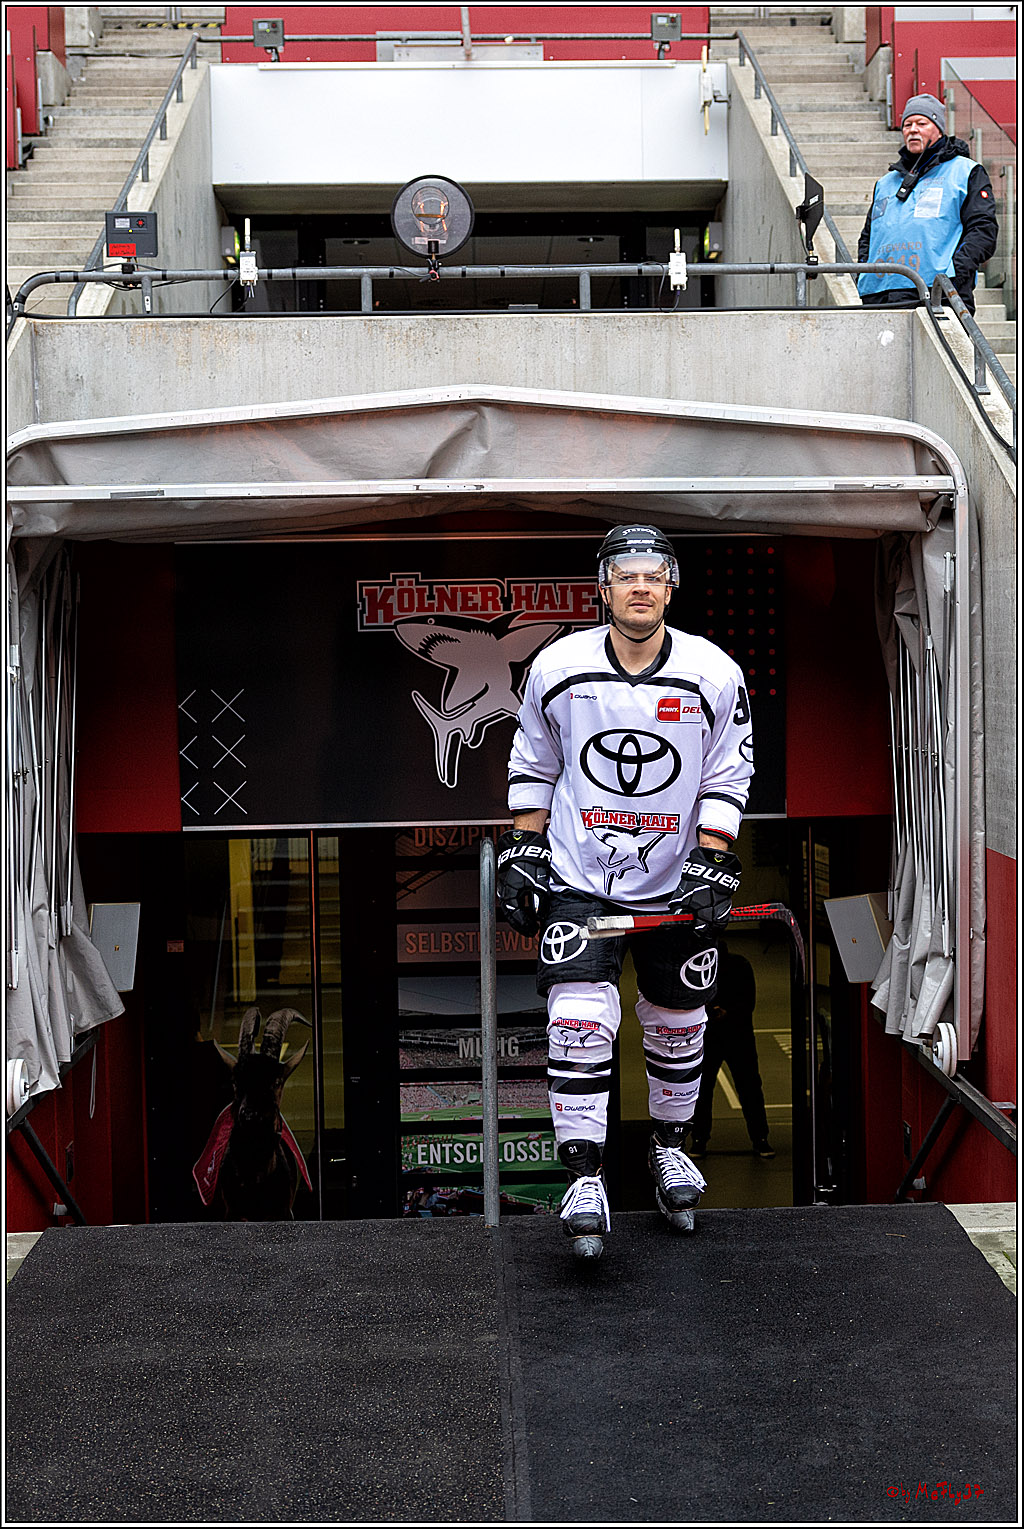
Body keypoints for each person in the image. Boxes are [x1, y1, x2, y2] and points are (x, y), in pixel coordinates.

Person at [496, 525, 754, 1259]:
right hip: (583, 879)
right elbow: (534, 759)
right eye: (625, 574)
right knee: (578, 1017)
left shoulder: (713, 670)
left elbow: (727, 770)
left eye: (653, 574)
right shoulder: (559, 664)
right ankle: (584, 1174)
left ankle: (670, 1147)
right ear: (602, 586)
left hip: (676, 882)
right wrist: (524, 845)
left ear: (671, 586)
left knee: (678, 1021)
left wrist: (713, 856)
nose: (640, 586)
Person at [857, 93, 997, 315]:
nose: (913, 130)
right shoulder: (885, 183)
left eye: (922, 123)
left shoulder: (965, 171)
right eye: (907, 124)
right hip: (880, 293)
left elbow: (983, 231)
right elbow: (868, 236)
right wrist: (863, 272)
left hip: (938, 291)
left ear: (939, 129)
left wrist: (953, 273)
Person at [688, 940, 774, 1161]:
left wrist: (714, 1013)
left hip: (720, 1035)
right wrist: (724, 1012)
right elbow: (748, 1001)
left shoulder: (701, 967)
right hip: (735, 1035)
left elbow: (692, 1000)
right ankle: (760, 1139)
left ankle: (700, 1140)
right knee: (747, 1088)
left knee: (706, 1090)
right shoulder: (739, 964)